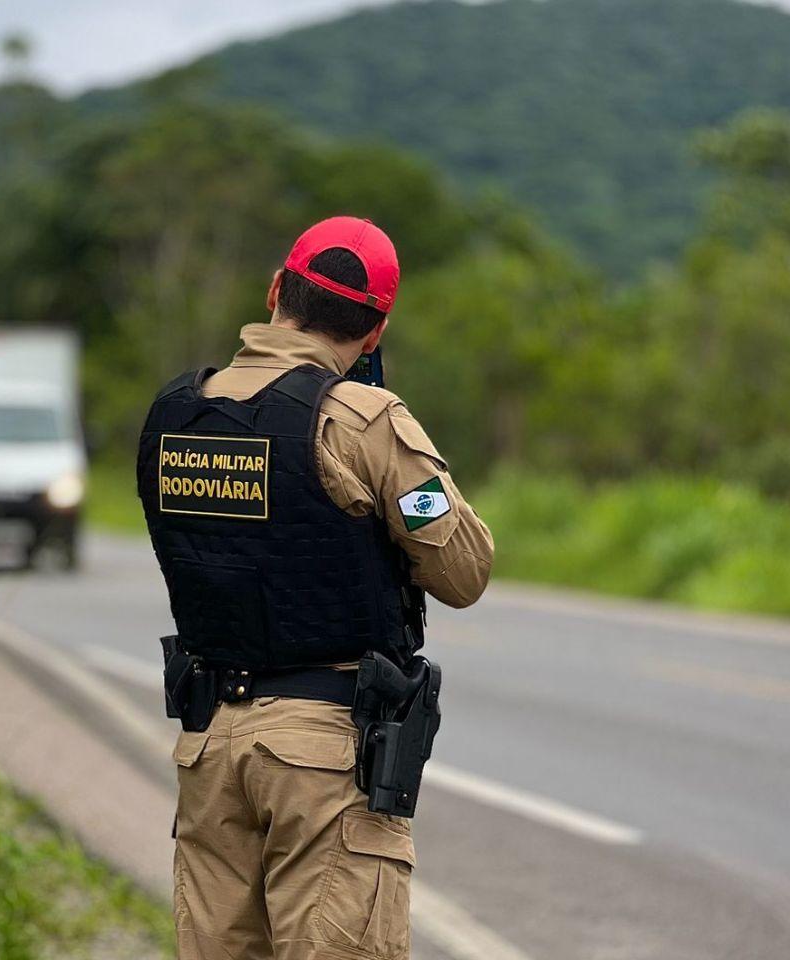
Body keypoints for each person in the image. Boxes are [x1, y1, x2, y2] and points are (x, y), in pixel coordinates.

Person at [136, 216, 494, 960]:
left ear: (275, 289)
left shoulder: (174, 412)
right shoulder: (362, 420)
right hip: (323, 757)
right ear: (375, 330)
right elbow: (464, 571)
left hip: (208, 750)